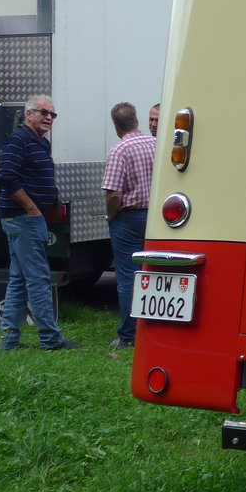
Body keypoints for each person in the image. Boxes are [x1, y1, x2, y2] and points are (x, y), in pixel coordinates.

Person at [0, 95, 79, 350]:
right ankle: (50, 339)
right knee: (39, 279)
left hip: (28, 219)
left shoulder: (40, 142)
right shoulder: (19, 140)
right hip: (24, 219)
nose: (48, 118)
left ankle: (8, 340)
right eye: (43, 112)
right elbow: (6, 177)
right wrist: (32, 209)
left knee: (19, 279)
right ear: (28, 114)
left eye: (52, 114)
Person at [103, 102, 156, 348]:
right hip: (155, 218)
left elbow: (113, 194)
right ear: (137, 121)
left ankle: (128, 336)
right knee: (153, 273)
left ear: (116, 127)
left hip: (128, 219)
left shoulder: (120, 150)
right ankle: (154, 328)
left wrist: (111, 216)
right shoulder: (156, 144)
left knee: (127, 278)